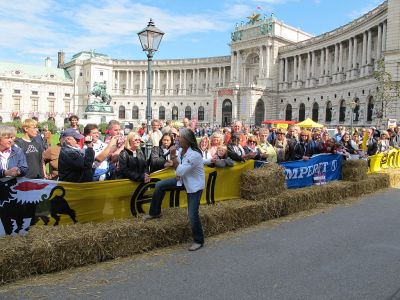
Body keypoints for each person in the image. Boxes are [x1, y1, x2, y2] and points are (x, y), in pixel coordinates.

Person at [143, 128, 205, 252]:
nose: (177, 139)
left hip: (194, 186)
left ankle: (199, 240)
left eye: (180, 137)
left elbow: (179, 170)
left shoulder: (194, 154)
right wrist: (174, 162)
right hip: (182, 181)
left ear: (187, 140)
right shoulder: (182, 150)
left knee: (192, 214)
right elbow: (178, 167)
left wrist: (173, 157)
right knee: (160, 185)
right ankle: (154, 212)